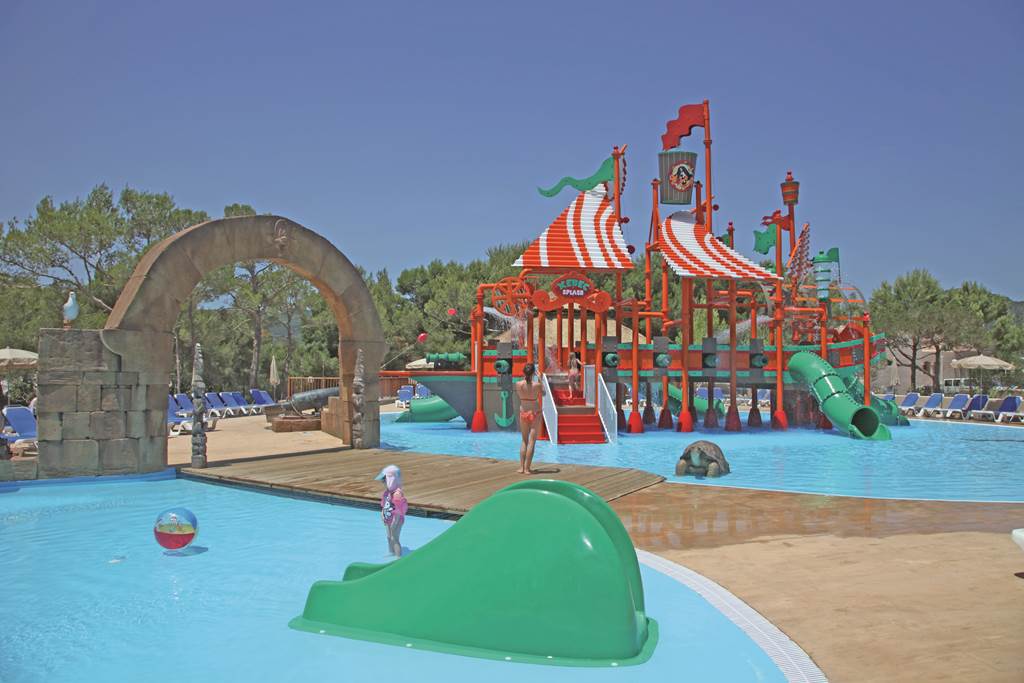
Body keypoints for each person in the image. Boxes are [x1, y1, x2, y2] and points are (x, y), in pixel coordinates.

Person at [515, 363, 545, 475]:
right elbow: (544, 393)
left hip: (523, 412)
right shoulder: (537, 385)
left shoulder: (518, 384)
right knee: (532, 441)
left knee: (524, 440)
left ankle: (521, 467)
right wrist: (540, 379)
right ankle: (527, 469)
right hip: (535, 413)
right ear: (533, 373)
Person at [376, 464, 407, 556]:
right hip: (388, 519)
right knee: (389, 537)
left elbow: (398, 510)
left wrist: (395, 522)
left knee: (395, 538)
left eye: (384, 480)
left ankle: (398, 558)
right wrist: (382, 514)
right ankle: (391, 553)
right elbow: (384, 505)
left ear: (391, 479)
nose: (383, 482)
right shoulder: (387, 492)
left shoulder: (397, 494)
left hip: (396, 520)